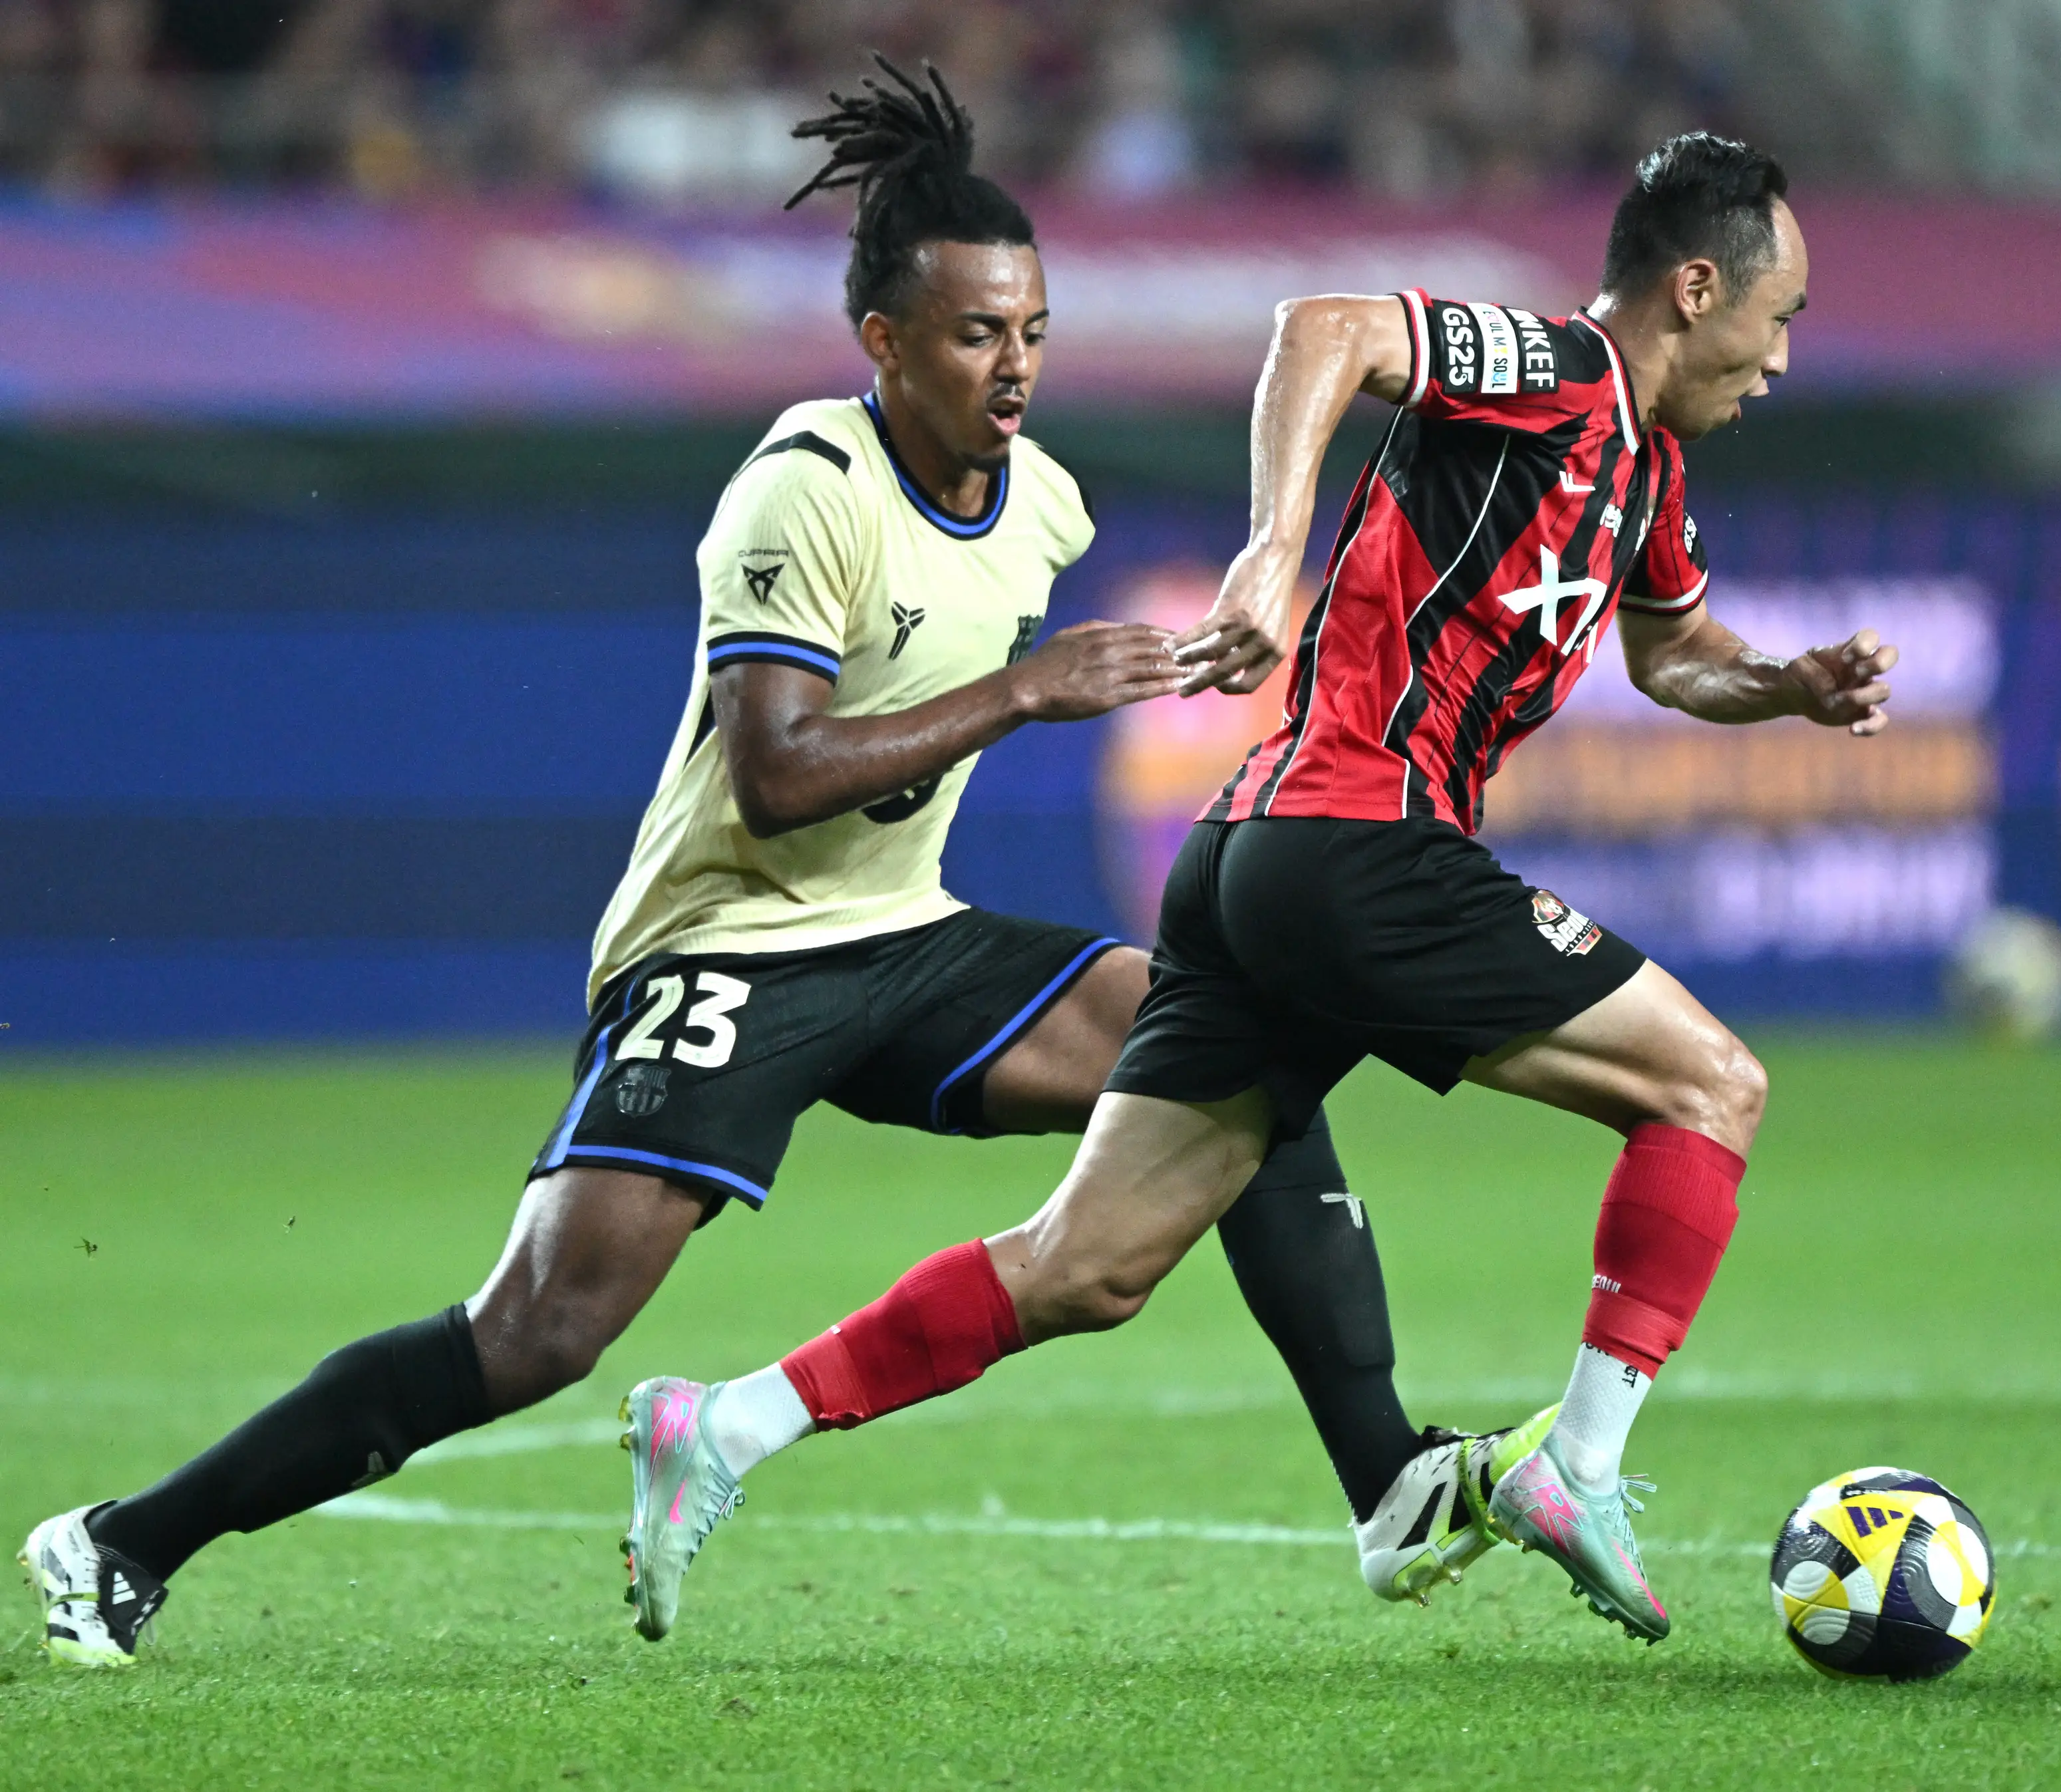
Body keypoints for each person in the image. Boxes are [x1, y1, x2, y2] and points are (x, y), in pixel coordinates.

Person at [20, 60, 1503, 1670]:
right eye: (972, 335)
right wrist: (1026, 688)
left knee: (1241, 1050)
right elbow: (779, 775)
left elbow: (992, 686)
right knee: (539, 1332)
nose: (1012, 369)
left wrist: (1183, 659)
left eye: (1032, 333)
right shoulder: (805, 490)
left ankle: (1388, 1480)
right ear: (884, 341)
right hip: (724, 950)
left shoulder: (1046, 506)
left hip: (903, 939)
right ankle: (118, 1544)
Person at [639, 128, 1897, 1646]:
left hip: (1252, 861)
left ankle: (722, 1426)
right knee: (1713, 1088)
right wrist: (1269, 554)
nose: (1781, 357)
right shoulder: (1558, 368)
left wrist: (1787, 684)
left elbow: (1673, 654)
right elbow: (1328, 329)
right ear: (1698, 288)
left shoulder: (1652, 476)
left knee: (1088, 1267)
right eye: (1781, 317)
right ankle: (1578, 1460)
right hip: (1359, 839)